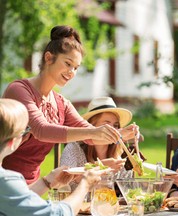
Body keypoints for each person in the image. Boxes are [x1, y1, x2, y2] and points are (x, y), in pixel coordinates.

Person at [1, 25, 138, 189]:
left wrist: (119, 134)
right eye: (68, 63)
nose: (72, 72)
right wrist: (95, 131)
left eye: (76, 68)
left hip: (32, 186)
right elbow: (42, 130)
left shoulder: (61, 103)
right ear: (48, 58)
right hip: (5, 182)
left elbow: (90, 137)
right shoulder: (20, 90)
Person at [0, 98, 103, 216]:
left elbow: (11, 203)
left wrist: (47, 182)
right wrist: (85, 184)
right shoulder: (5, 181)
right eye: (26, 131)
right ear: (14, 141)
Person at [39, 97, 133, 216]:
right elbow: (66, 179)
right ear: (91, 126)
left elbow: (128, 191)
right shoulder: (74, 148)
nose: (113, 129)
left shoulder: (120, 152)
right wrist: (101, 166)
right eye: (107, 124)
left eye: (116, 125)